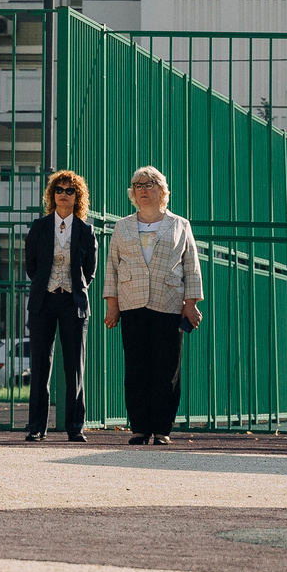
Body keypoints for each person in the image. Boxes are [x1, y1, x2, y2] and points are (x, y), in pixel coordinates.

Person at [103, 165, 202, 446]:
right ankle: (139, 428)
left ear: (162, 190)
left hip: (169, 303)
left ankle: (161, 429)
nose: (143, 190)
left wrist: (191, 303)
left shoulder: (180, 225)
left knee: (166, 368)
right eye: (137, 185)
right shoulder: (121, 226)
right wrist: (112, 305)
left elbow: (191, 267)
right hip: (132, 302)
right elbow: (112, 268)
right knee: (136, 367)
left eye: (149, 185)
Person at [23, 169, 96, 443]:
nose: (64, 195)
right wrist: (48, 284)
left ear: (78, 197)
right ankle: (36, 427)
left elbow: (90, 270)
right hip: (43, 302)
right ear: (52, 195)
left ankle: (75, 427)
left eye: (70, 191)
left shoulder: (85, 230)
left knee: (74, 366)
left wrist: (71, 287)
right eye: (59, 190)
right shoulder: (40, 227)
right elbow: (32, 266)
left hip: (73, 303)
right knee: (41, 365)